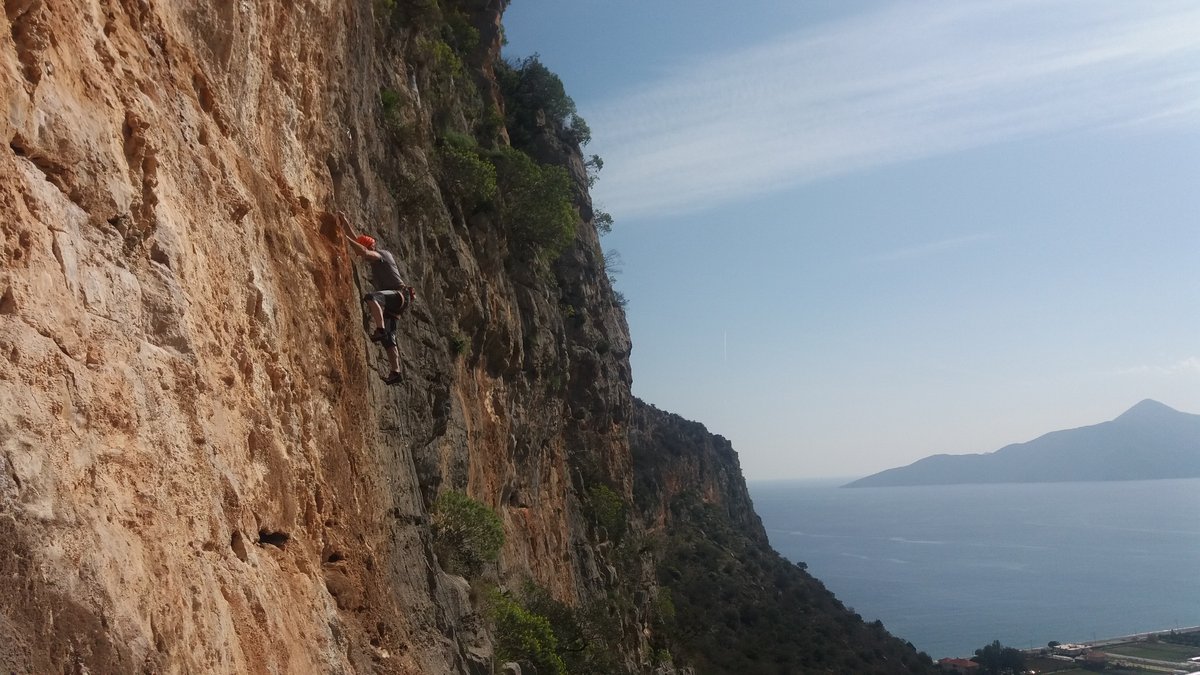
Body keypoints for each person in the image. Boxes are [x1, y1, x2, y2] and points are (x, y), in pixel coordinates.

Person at [336, 211, 413, 385]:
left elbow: (363, 251)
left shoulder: (381, 255)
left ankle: (379, 329)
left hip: (399, 294)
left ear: (370, 247)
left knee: (373, 298)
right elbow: (358, 241)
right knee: (389, 336)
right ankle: (396, 371)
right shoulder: (376, 253)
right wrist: (345, 221)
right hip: (399, 299)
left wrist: (343, 236)